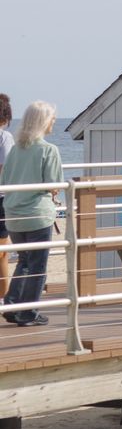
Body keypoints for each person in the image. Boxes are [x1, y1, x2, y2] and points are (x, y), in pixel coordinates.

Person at [3, 101, 62, 326]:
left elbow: (5, 181)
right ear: (44, 121)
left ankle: (12, 305)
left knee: (24, 262)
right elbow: (54, 185)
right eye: (52, 118)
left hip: (14, 214)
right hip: (37, 213)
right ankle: (28, 313)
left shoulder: (16, 149)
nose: (54, 122)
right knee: (37, 265)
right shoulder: (48, 150)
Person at [0, 95, 13, 293]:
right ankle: (3, 299)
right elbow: (7, 168)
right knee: (2, 253)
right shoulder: (4, 137)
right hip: (1, 198)